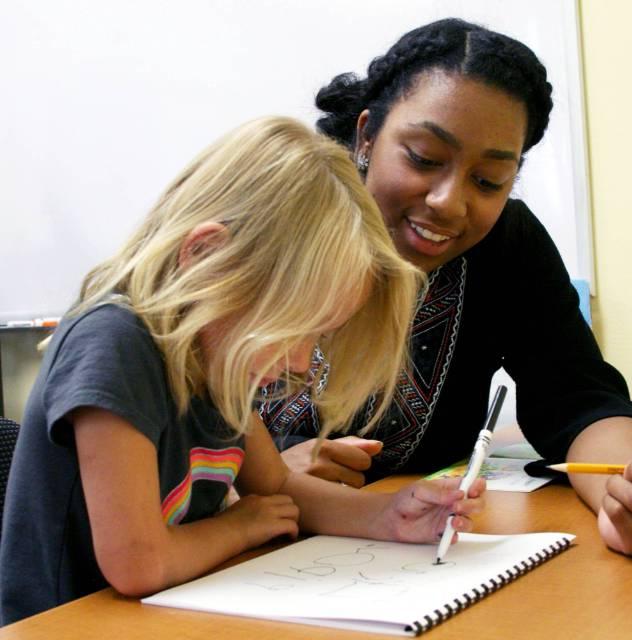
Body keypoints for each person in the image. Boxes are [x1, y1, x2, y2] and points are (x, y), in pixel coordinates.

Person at [262, 19, 632, 560]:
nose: (449, 201)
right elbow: (162, 403)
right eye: (423, 158)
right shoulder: (264, 222)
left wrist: (627, 487)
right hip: (226, 562)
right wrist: (256, 472)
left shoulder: (507, 245)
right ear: (367, 134)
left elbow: (578, 397)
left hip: (410, 556)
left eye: (489, 180)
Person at [0, 116, 486, 625]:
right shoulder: (115, 344)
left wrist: (390, 516)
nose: (300, 362)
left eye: (316, 337)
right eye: (291, 328)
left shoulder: (213, 354)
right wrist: (240, 527)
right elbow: (137, 563)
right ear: (208, 260)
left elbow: (276, 486)